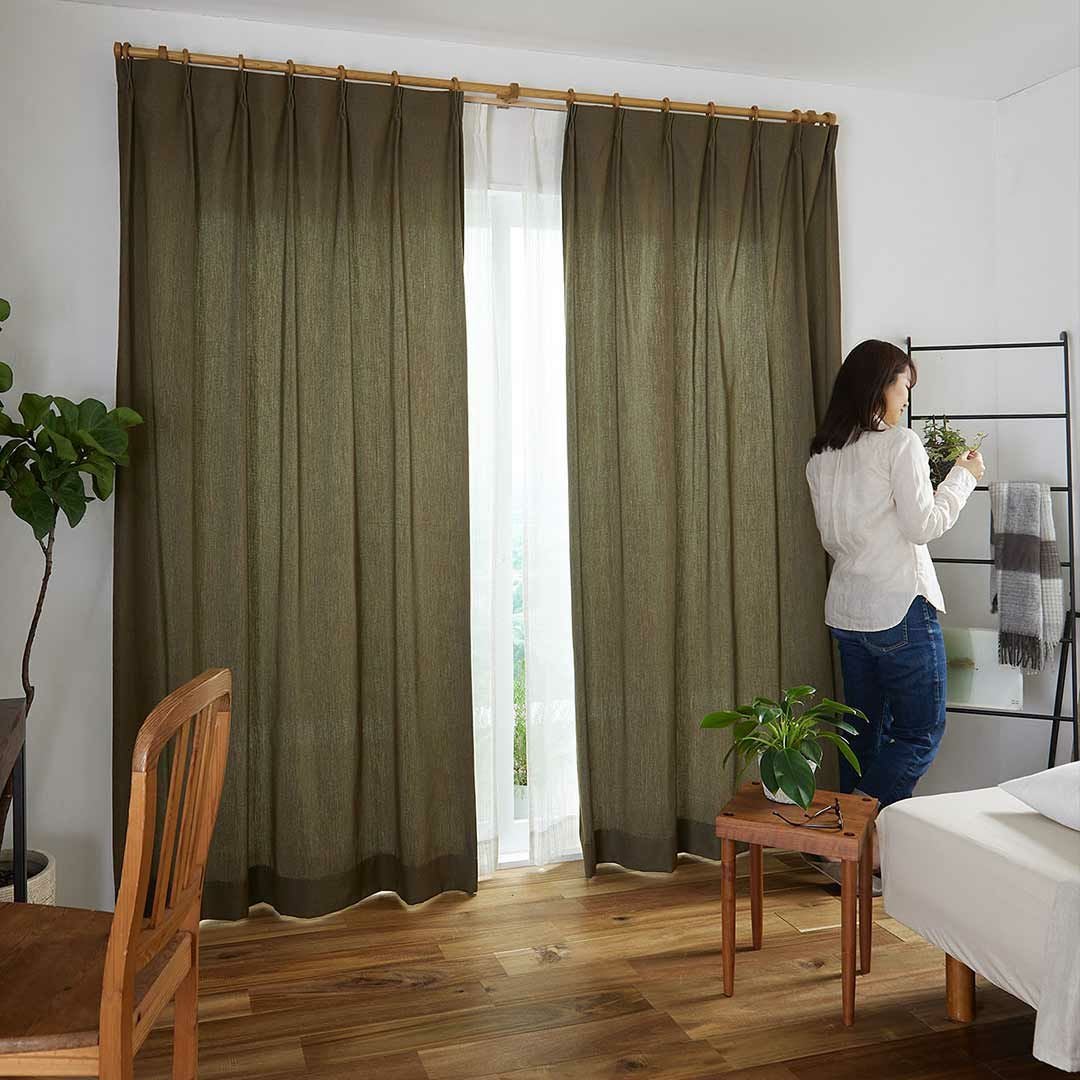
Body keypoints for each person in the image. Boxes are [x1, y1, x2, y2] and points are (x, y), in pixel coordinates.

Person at [806, 340, 985, 821]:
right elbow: (922, 526)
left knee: (864, 738)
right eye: (904, 386)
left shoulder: (822, 456)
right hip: (899, 609)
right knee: (919, 733)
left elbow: (831, 539)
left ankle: (855, 853)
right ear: (879, 385)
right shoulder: (899, 444)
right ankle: (846, 830)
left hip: (847, 613)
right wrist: (962, 477)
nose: (906, 398)